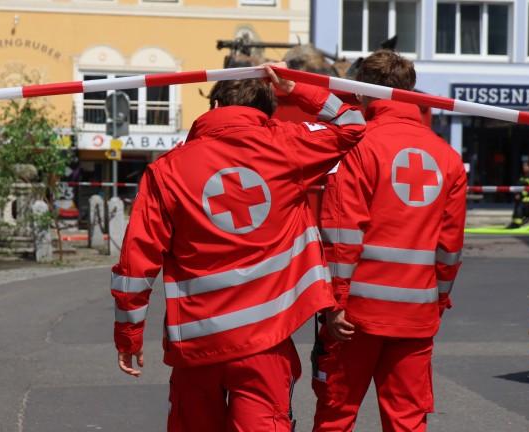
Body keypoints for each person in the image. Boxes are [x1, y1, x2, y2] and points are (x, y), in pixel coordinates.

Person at [110, 62, 366, 432]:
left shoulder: (166, 171)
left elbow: (135, 264)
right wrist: (297, 88)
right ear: (268, 113)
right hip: (266, 339)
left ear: (213, 107)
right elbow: (352, 123)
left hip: (196, 343)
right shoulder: (288, 146)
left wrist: (128, 334)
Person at [313, 50, 467, 432]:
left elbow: (341, 234)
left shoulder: (359, 146)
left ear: (364, 93)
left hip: (355, 316)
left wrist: (335, 301)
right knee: (407, 421)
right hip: (416, 314)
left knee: (336, 415)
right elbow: (450, 246)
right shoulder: (448, 157)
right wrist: (438, 301)